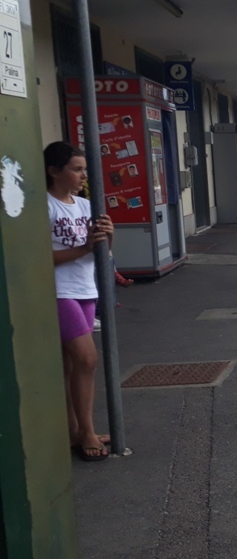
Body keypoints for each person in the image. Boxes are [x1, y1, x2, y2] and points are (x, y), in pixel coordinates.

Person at [46, 141, 113, 461]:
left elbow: (102, 250)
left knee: (73, 365)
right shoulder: (43, 207)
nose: (83, 175)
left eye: (84, 169)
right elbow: (41, 257)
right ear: (54, 171)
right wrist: (85, 248)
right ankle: (87, 431)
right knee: (87, 359)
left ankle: (76, 429)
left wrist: (107, 235)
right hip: (59, 291)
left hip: (86, 289)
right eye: (76, 169)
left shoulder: (85, 205)